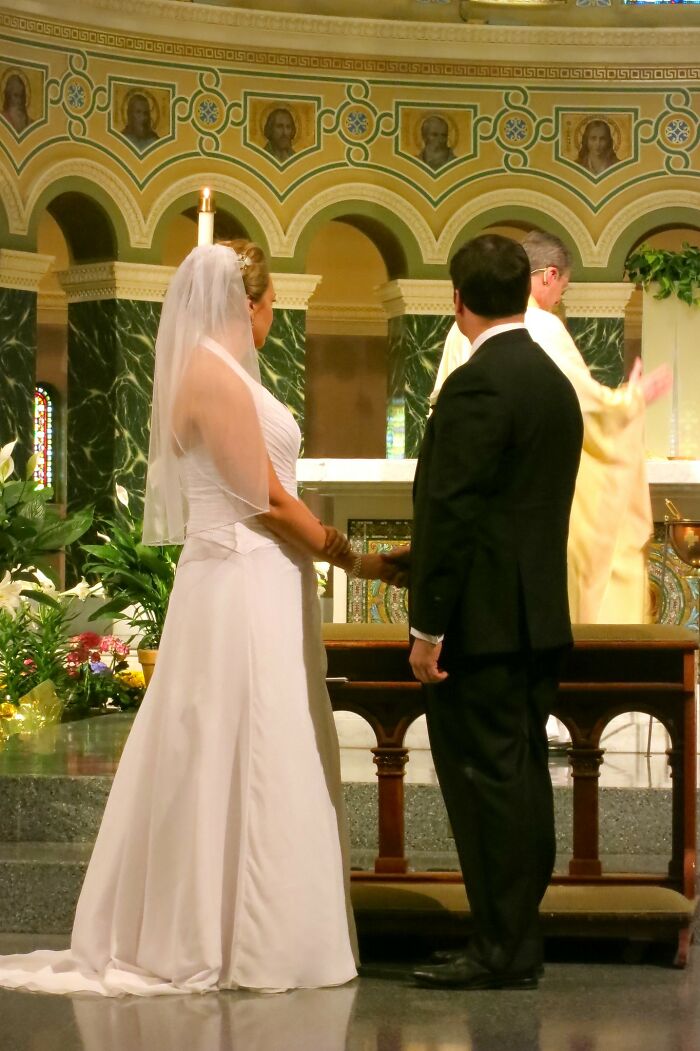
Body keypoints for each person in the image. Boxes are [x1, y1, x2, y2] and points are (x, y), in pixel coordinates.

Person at [0, 240, 385, 997]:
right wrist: (358, 561)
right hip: (243, 580)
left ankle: (233, 921)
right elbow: (267, 501)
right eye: (272, 305)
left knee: (237, 742)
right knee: (247, 744)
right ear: (251, 302)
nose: (272, 319)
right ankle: (237, 934)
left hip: (250, 578)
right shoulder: (212, 374)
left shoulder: (215, 371)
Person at [405, 234, 583, 990]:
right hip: (535, 617)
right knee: (520, 783)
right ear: (530, 291)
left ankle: (502, 948)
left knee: (486, 790)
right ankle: (511, 937)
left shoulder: (481, 383)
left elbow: (453, 512)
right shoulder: (551, 380)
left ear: (457, 299)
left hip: (480, 627)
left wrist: (427, 629)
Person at [432, 230, 671, 627]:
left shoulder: (462, 329)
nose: (560, 296)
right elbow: (589, 407)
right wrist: (633, 399)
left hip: (469, 492)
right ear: (548, 275)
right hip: (529, 497)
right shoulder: (540, 326)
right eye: (563, 286)